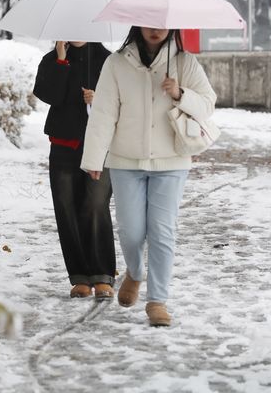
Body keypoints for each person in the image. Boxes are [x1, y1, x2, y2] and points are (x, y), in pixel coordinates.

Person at [80, 27, 217, 326]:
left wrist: (180, 93)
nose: (156, 30)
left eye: (161, 24)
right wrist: (94, 158)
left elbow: (208, 104)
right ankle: (135, 272)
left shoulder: (184, 62)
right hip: (125, 160)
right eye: (149, 23)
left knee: (162, 231)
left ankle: (157, 301)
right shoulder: (116, 63)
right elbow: (103, 113)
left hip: (171, 161)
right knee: (130, 231)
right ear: (137, 26)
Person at [33, 41, 116, 300]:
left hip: (100, 147)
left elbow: (123, 101)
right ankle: (79, 276)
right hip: (64, 146)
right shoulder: (52, 60)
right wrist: (61, 61)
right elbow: (50, 96)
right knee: (66, 208)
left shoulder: (109, 60)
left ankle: (102, 275)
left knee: (95, 204)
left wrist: (99, 99)